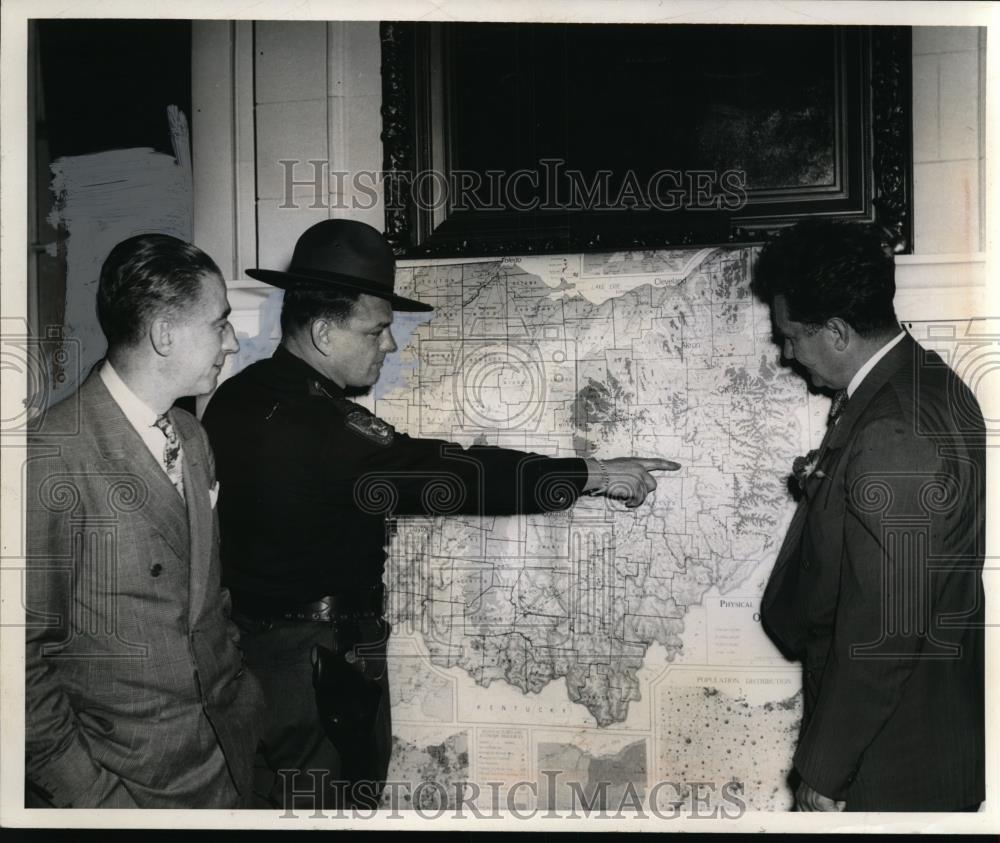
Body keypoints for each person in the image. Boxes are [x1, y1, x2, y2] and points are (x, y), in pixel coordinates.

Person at [202, 219, 679, 811]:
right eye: (376, 330)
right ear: (324, 332)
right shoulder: (324, 429)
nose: (389, 345)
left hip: (248, 659)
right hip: (317, 671)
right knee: (330, 813)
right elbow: (454, 474)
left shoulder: (235, 398)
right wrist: (592, 474)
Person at [24, 234, 264, 808]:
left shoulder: (192, 436)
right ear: (164, 334)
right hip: (133, 786)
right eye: (220, 324)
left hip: (229, 758)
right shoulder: (51, 455)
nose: (231, 342)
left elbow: (207, 596)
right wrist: (96, 798)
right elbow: (18, 665)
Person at [754, 221, 984, 812]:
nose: (786, 353)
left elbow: (884, 632)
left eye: (791, 337)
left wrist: (826, 771)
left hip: (889, 756)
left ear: (835, 331)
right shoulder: (925, 383)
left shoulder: (893, 430)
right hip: (919, 727)